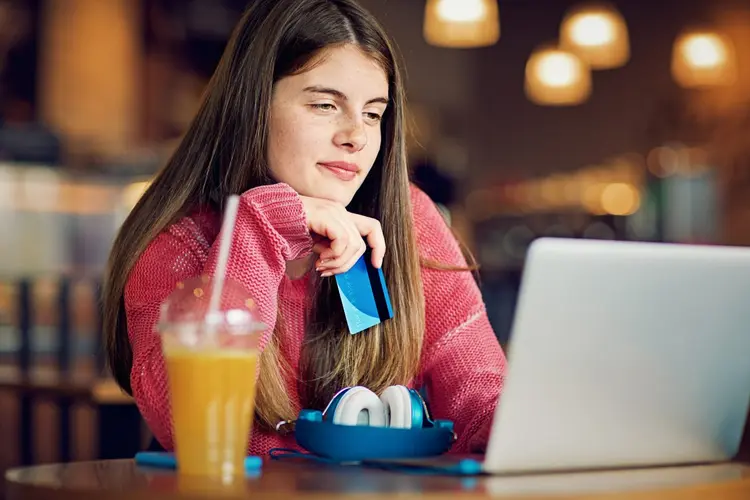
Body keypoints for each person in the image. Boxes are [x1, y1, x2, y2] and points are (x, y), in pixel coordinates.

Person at [103, 0, 506, 456]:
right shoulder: (178, 247)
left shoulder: (410, 221)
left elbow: (479, 389)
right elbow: (195, 424)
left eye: (373, 113)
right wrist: (264, 225)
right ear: (252, 107)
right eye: (324, 105)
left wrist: (528, 430)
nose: (355, 135)